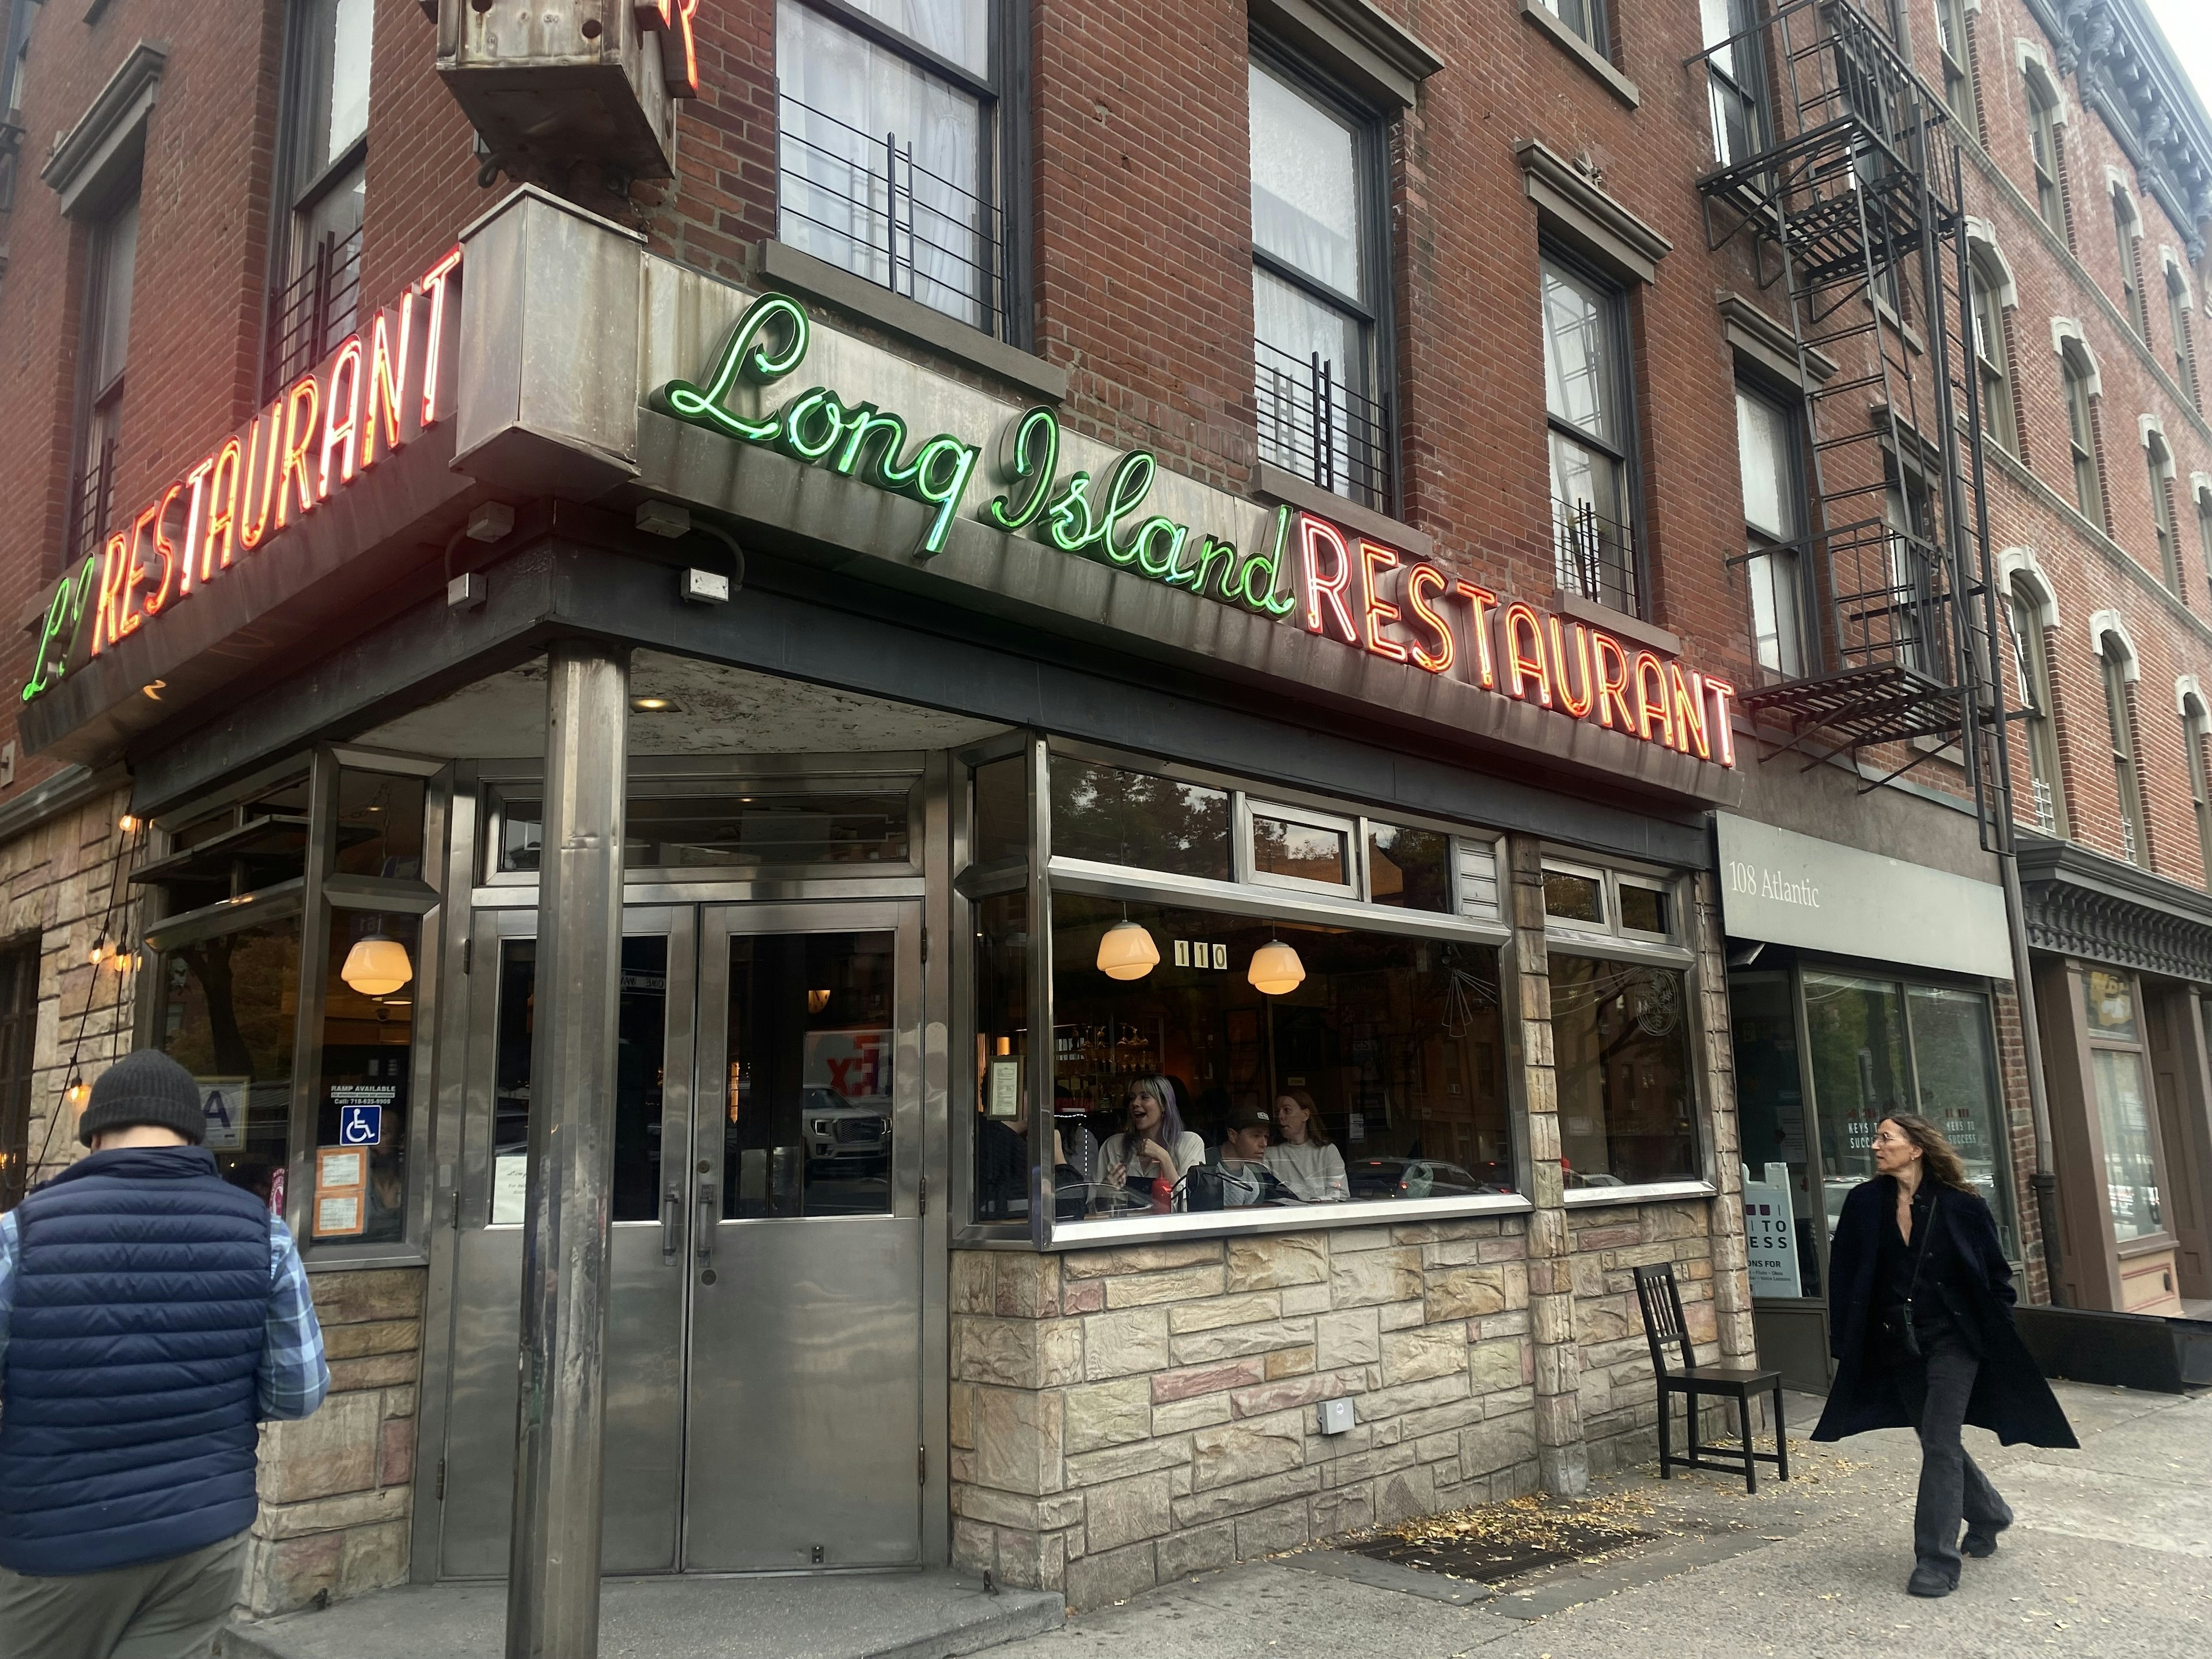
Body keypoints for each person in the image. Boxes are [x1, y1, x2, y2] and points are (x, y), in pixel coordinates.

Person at [0, 1050, 331, 1658]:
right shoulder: (264, 1233)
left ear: (94, 1132)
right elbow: (299, 1392)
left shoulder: (21, 1233)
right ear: (192, 1134)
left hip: (55, 1543)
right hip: (204, 1539)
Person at [1812, 1112, 2075, 1599]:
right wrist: (1844, 1342)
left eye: (1885, 1138)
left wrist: (1997, 1332)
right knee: (1937, 1437)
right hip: (1897, 1340)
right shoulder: (1863, 1203)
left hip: (1956, 1338)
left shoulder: (1961, 1205)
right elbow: (1844, 1276)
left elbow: (1996, 1277)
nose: (1875, 1145)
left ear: (1915, 1149)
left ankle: (1936, 1560)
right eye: (1877, 1138)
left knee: (1939, 1440)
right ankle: (1991, 1513)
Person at [1099, 1076, 1205, 1212]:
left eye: (1144, 1097)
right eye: (1132, 1097)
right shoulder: (1114, 1145)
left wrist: (1164, 1157)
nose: (1135, 1103)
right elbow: (1093, 1209)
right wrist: (1107, 1190)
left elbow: (1188, 1208)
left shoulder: (1190, 1143)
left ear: (1164, 1105)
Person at [1267, 1089, 1348, 1202]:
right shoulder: (1269, 1154)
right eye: (1277, 1112)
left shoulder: (1327, 1151)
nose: (1280, 1116)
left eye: (1287, 1110)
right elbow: (1268, 1195)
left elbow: (1339, 1193)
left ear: (1305, 1115)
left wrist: (1315, 1204)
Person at [1212, 1106, 1287, 1207]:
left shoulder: (1258, 1174)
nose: (1264, 1144)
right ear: (1233, 1135)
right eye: (1256, 1136)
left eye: (1266, 1137)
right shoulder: (1204, 1162)